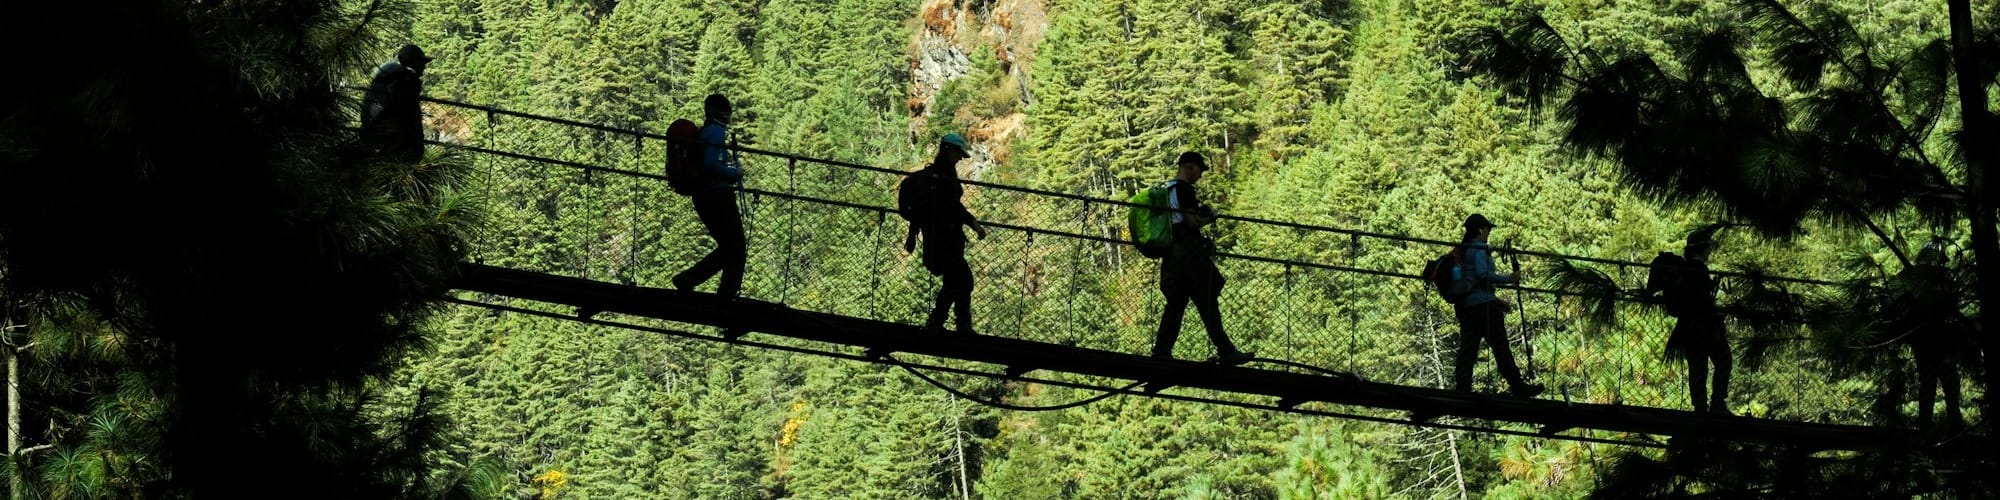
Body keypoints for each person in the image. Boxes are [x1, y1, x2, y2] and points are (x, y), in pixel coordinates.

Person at [1150, 152, 1251, 365]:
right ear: (1190, 167)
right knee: (1207, 300)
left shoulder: (1165, 189)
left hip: (1171, 255)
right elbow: (1190, 221)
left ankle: (1161, 353)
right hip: (1189, 256)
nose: (1200, 176)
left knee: (1176, 304)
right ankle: (1227, 352)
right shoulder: (1184, 189)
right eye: (1199, 171)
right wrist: (1209, 217)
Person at [902, 134, 987, 333]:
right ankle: (959, 325)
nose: (960, 159)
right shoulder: (943, 177)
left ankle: (940, 322)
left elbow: (951, 207)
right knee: (963, 280)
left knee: (955, 282)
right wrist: (974, 225)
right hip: (944, 240)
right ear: (948, 149)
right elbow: (953, 207)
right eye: (958, 154)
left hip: (938, 239)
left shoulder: (940, 175)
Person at [1452, 214, 1543, 397]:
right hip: (1484, 308)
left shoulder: (1464, 250)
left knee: (1468, 349)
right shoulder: (1478, 249)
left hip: (1467, 307)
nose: (1488, 233)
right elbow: (1483, 275)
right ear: (1480, 230)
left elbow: (1475, 281)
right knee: (1501, 347)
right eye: (1488, 229)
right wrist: (1509, 278)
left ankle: (1462, 389)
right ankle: (1517, 386)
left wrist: (1496, 300)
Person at [671, 93, 747, 298]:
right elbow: (710, 164)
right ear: (722, 113)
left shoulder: (704, 132)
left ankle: (691, 280)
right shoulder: (715, 132)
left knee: (729, 246)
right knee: (737, 245)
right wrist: (735, 173)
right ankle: (726, 292)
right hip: (718, 194)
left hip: (703, 195)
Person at [1646, 226, 1729, 413]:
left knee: (1697, 366)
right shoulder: (1698, 269)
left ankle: (1700, 406)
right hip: (1706, 325)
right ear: (1703, 249)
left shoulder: (1682, 270)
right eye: (1708, 248)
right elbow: (1702, 300)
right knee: (1723, 361)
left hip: (1687, 327)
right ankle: (1718, 403)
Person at [1893, 240, 1967, 431]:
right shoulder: (1940, 276)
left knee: (1929, 382)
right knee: (1947, 381)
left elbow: (1896, 296)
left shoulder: (1912, 274)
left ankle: (1928, 426)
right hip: (1938, 337)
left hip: (1922, 337)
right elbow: (1953, 304)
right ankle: (1952, 423)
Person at [360, 44, 432, 162]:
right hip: (397, 141)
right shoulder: (409, 81)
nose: (424, 67)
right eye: (422, 62)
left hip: (374, 133)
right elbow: (408, 117)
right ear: (414, 62)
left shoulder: (387, 78)